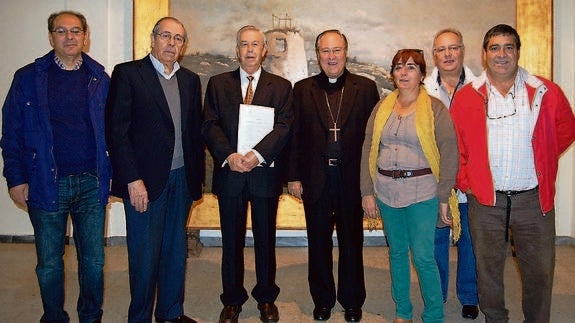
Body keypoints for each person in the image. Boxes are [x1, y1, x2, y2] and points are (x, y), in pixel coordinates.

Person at [450, 24, 575, 323]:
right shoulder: (468, 96)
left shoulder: (545, 91)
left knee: (540, 271)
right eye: (495, 48)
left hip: (533, 201)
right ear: (484, 54)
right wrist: (468, 184)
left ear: (518, 52)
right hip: (486, 202)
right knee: (488, 270)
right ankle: (496, 319)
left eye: (509, 47)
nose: (502, 54)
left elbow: (565, 130)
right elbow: (455, 148)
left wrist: (543, 159)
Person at [0, 10, 111, 323]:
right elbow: (11, 132)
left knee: (93, 260)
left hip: (91, 181)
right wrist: (15, 178)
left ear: (85, 36)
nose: (69, 37)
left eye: (76, 31)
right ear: (51, 37)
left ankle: (91, 316)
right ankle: (53, 317)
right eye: (61, 31)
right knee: (49, 262)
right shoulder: (28, 78)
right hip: (46, 182)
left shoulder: (99, 78)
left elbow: (113, 130)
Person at [105, 17, 204, 323]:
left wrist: (196, 179)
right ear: (153, 39)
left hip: (181, 179)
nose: (171, 43)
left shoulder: (190, 80)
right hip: (145, 183)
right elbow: (116, 132)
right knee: (144, 256)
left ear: (183, 46)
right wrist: (132, 180)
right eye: (166, 36)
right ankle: (139, 317)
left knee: (175, 251)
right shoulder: (128, 74)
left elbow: (193, 131)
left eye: (178, 39)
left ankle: (171, 313)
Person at [286, 29, 379, 322]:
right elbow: (294, 136)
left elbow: (373, 139)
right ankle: (323, 300)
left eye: (336, 50)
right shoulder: (302, 89)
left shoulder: (365, 87)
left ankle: (352, 300)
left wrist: (370, 183)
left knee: (353, 241)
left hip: (351, 178)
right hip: (316, 177)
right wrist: (293, 176)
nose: (331, 57)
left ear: (346, 52)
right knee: (318, 241)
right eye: (325, 51)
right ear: (317, 55)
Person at [202, 25, 293, 323]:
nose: (250, 50)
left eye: (256, 44)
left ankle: (266, 298)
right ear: (237, 49)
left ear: (264, 50)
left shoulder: (281, 86)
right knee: (231, 241)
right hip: (231, 173)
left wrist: (256, 156)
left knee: (266, 240)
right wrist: (229, 155)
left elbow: (283, 127)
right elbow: (210, 125)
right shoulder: (218, 83)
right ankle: (232, 300)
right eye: (244, 44)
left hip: (263, 174)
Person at [361, 49, 459, 323]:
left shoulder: (435, 109)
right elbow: (368, 146)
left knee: (424, 257)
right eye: (399, 67)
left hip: (422, 192)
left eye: (411, 67)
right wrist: (366, 191)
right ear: (393, 74)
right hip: (387, 192)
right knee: (397, 253)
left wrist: (443, 196)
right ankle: (402, 311)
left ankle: (434, 314)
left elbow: (449, 151)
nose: (404, 72)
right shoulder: (382, 107)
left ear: (422, 74)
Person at [423, 28, 479, 320]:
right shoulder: (422, 90)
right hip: (434, 178)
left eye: (453, 48)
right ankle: (437, 293)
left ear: (462, 51)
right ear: (434, 55)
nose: (447, 54)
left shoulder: (482, 88)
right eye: (441, 49)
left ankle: (469, 296)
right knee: (436, 237)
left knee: (470, 238)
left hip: (470, 179)